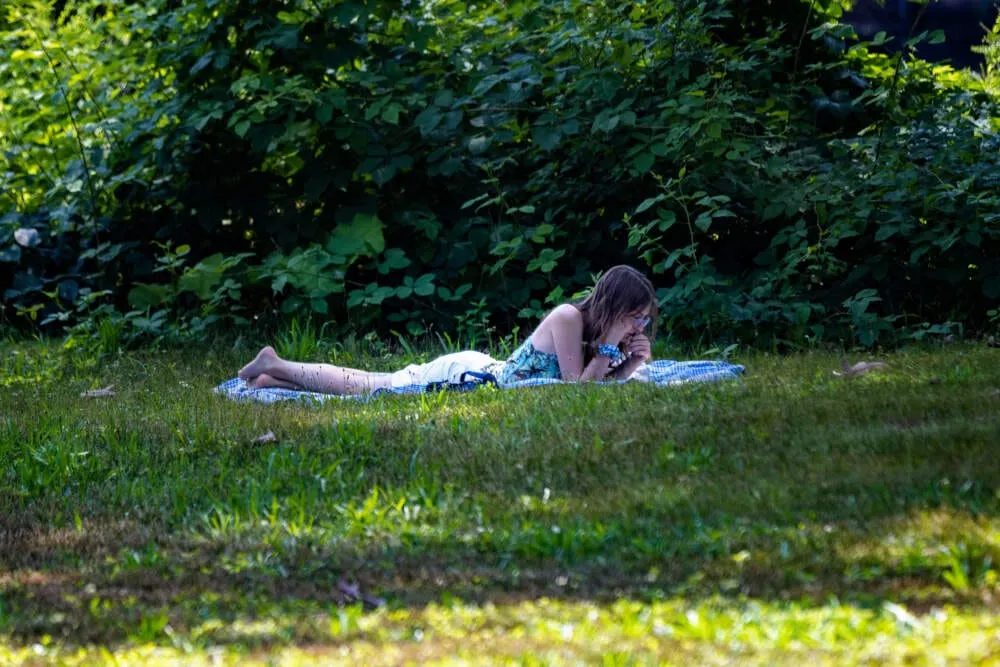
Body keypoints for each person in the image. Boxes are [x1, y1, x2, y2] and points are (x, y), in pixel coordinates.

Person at [237, 265, 657, 393]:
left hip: (484, 370)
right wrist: (608, 350)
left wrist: (629, 363)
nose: (638, 326)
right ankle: (278, 362)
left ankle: (275, 377)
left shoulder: (597, 336)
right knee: (373, 385)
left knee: (374, 385)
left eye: (643, 321)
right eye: (634, 317)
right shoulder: (569, 318)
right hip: (467, 374)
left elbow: (595, 389)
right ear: (614, 307)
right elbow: (575, 392)